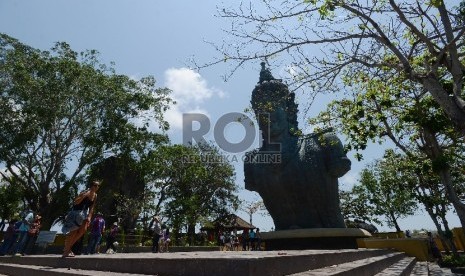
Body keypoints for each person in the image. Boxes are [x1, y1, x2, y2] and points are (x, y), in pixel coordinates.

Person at [62, 180, 100, 258]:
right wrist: (83, 196)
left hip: (84, 213)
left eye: (97, 186)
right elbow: (75, 202)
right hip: (76, 212)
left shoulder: (95, 195)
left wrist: (89, 217)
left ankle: (68, 248)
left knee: (83, 230)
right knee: (74, 232)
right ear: (91, 186)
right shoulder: (85, 192)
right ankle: (67, 250)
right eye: (95, 185)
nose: (96, 187)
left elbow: (92, 207)